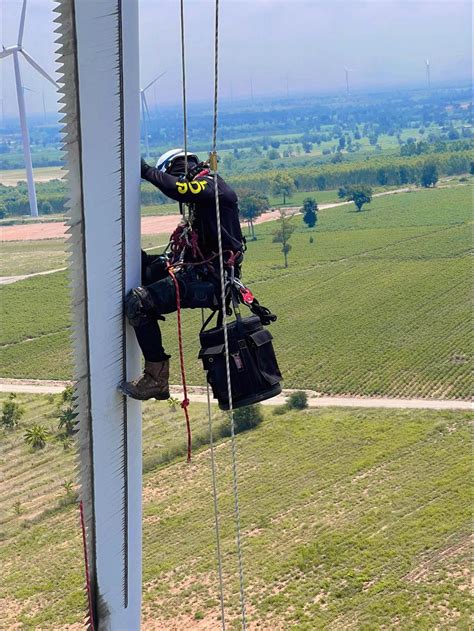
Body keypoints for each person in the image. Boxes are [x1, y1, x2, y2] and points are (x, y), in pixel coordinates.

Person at [119, 149, 245, 400]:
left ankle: (156, 378)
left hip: (209, 281)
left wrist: (145, 171)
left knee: (139, 302)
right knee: (142, 267)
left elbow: (181, 189)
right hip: (196, 271)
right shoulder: (206, 195)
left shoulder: (212, 186)